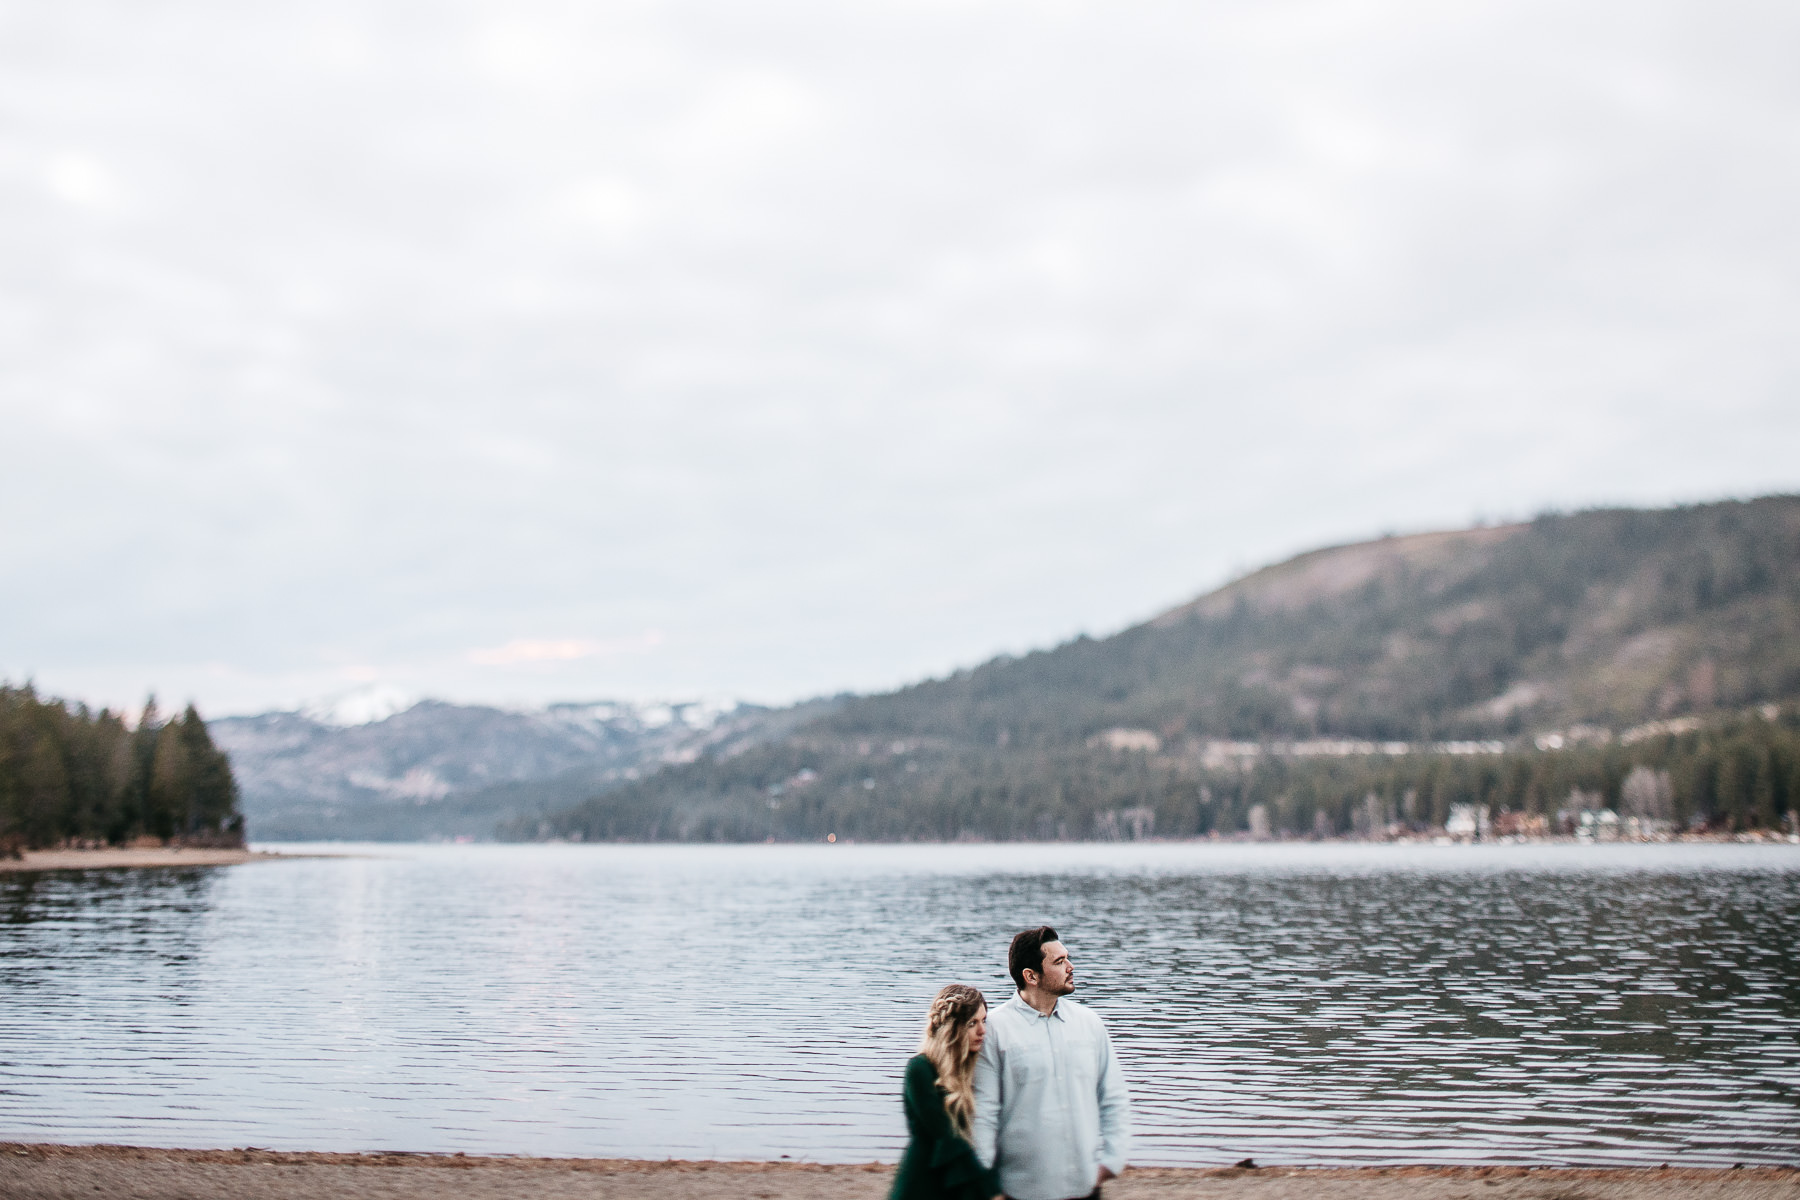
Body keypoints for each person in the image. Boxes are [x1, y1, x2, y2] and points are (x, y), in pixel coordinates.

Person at [972, 927, 1130, 1200]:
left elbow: (1113, 1096)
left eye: (1067, 958)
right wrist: (985, 1181)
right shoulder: (994, 1030)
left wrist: (1112, 1159)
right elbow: (984, 1112)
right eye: (1059, 962)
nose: (1071, 967)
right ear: (1030, 976)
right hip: (1022, 1189)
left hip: (1084, 1186)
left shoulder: (1090, 1023)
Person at [891, 984, 1004, 1200]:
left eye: (984, 1021)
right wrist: (990, 1190)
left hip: (960, 1179)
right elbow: (947, 1135)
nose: (982, 1031)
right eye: (972, 1023)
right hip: (923, 1184)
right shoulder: (919, 1069)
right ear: (952, 1029)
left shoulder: (974, 1070)